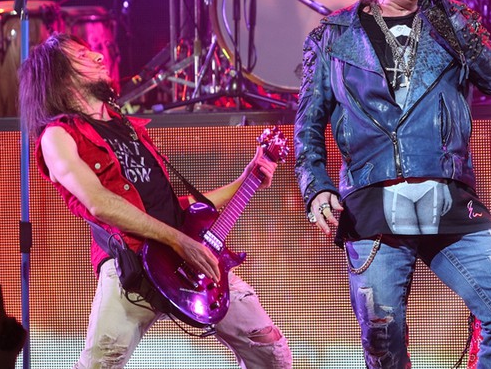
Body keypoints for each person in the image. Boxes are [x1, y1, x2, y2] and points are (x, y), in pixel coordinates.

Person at [293, 0, 491, 368]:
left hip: (448, 197)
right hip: (372, 203)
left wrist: (448, 17)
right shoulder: (333, 36)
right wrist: (317, 187)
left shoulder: (455, 24)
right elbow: (308, 126)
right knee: (381, 339)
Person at [19, 33, 292, 368]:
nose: (99, 57)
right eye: (83, 55)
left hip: (190, 260)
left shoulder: (130, 127)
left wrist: (245, 180)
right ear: (59, 74)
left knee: (271, 353)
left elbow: (176, 205)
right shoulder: (58, 136)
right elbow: (99, 202)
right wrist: (178, 241)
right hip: (132, 265)